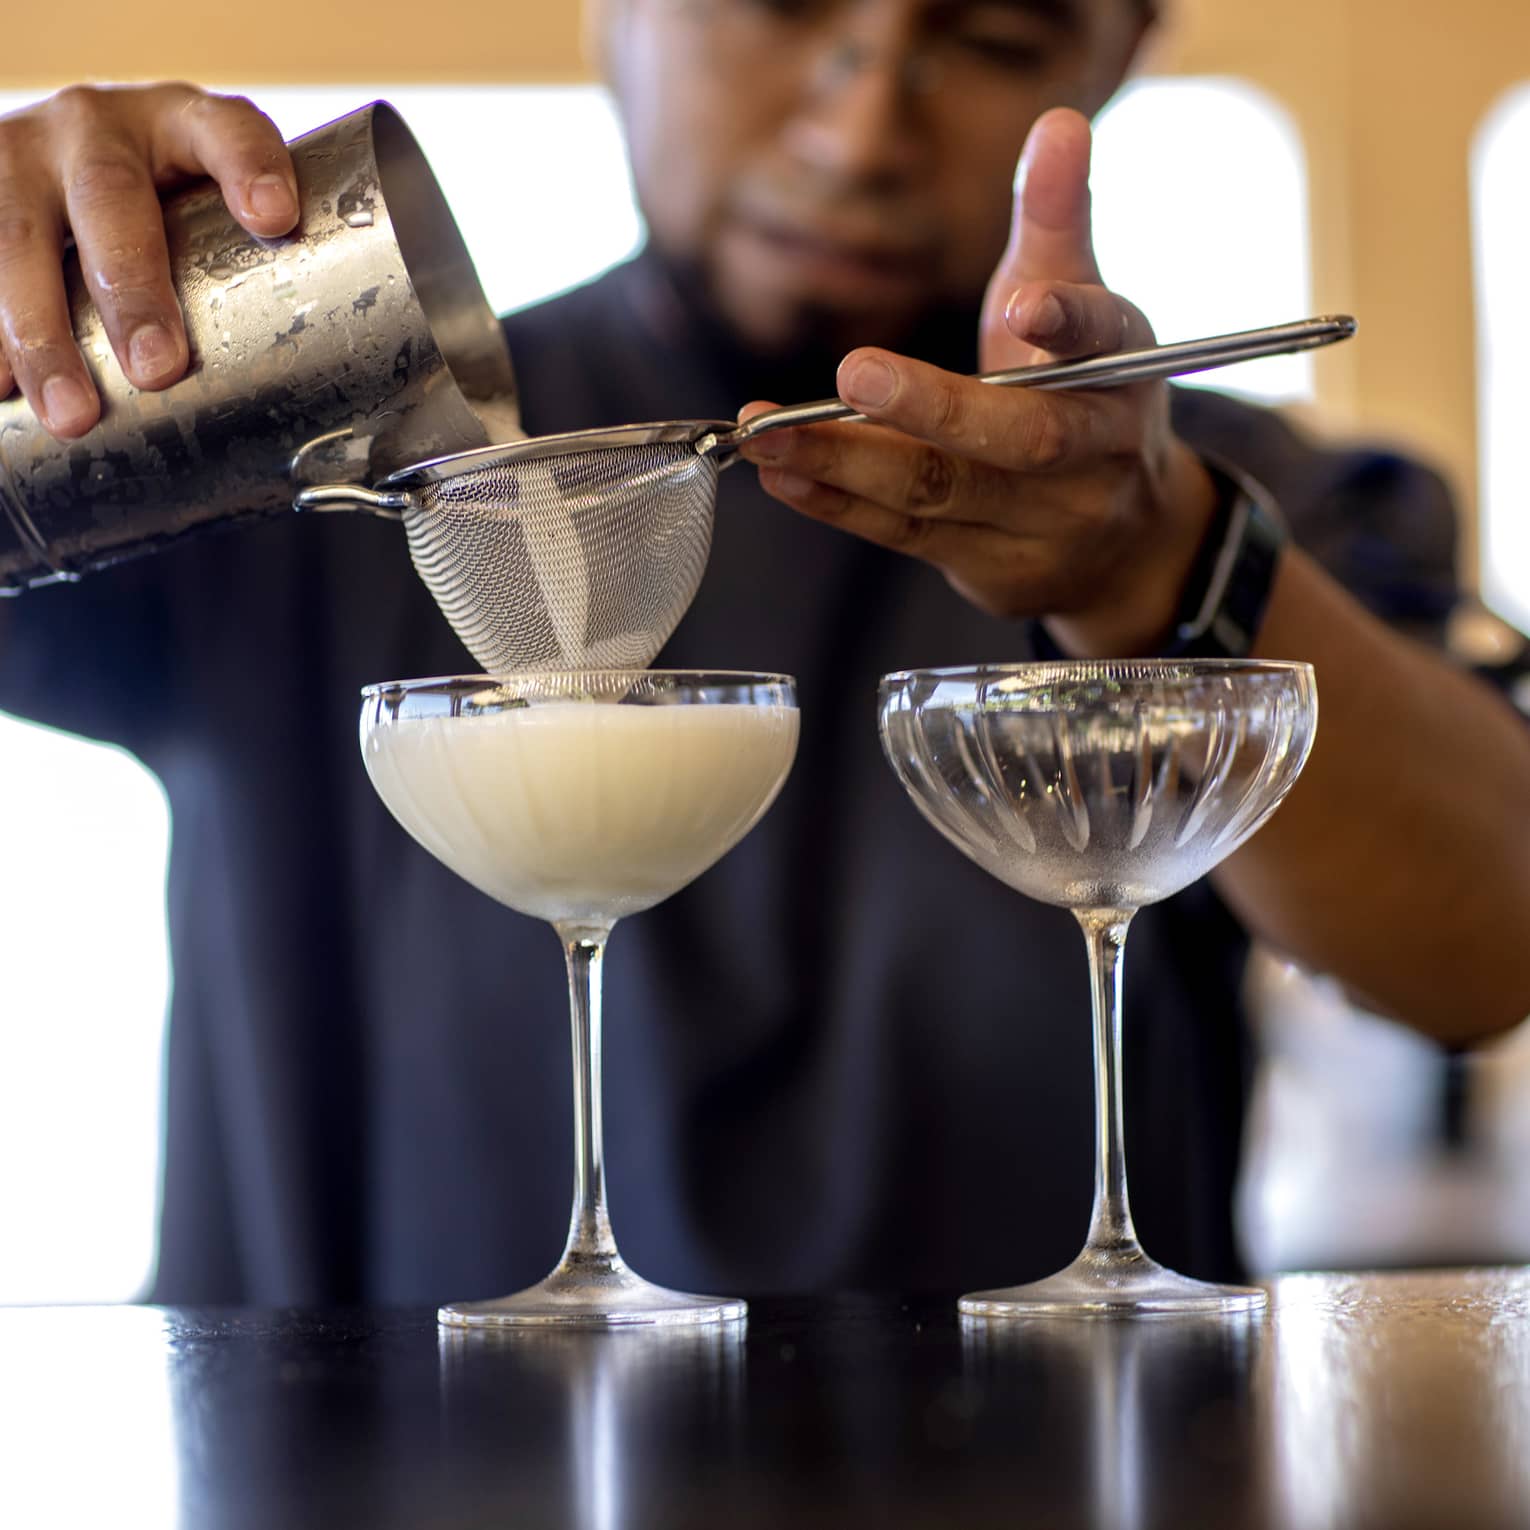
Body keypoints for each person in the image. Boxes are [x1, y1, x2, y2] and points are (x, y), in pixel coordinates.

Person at [1, 0, 1528, 1305]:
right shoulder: (282, 472)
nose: (863, 126)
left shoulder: (1247, 504)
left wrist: (1159, 562)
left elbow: (1486, 941)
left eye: (992, 34)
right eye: (778, 3)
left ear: (1124, 47)